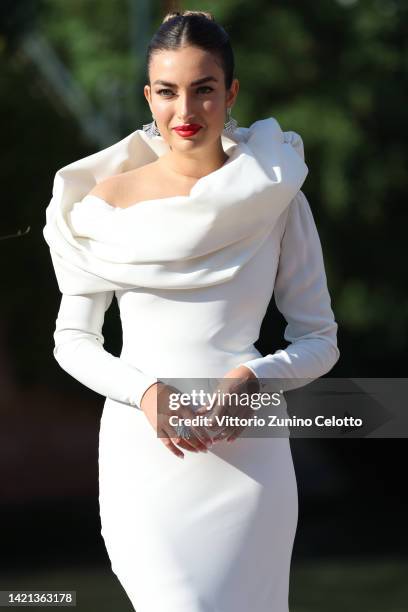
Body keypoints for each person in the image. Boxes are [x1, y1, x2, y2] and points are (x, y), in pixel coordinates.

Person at [42, 9, 340, 612]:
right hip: (141, 454)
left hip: (250, 464)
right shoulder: (103, 205)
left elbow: (321, 339)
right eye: (169, 92)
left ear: (230, 93)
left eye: (203, 90)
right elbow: (72, 339)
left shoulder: (275, 195)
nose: (186, 111)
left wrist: (254, 378)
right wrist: (147, 393)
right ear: (148, 96)